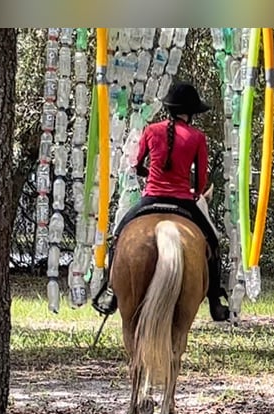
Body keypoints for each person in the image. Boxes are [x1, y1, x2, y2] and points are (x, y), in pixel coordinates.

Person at [92, 81, 230, 322]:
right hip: (184, 200)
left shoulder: (151, 130)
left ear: (169, 109)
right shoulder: (197, 137)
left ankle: (111, 291)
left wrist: (149, 174)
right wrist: (195, 192)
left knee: (119, 235)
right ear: (192, 113)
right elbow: (201, 181)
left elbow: (136, 164)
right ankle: (215, 300)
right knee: (213, 243)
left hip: (151, 197)